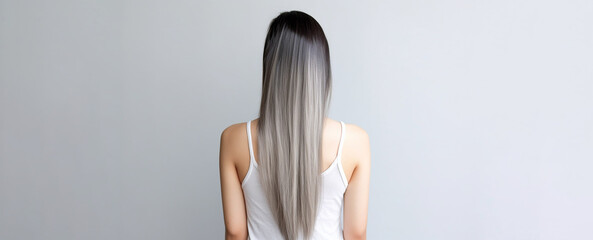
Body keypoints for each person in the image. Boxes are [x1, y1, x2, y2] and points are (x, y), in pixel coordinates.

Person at [219, 10, 370, 240]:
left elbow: (235, 232)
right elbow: (356, 234)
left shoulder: (234, 139)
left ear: (271, 69)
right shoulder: (354, 141)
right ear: (322, 71)